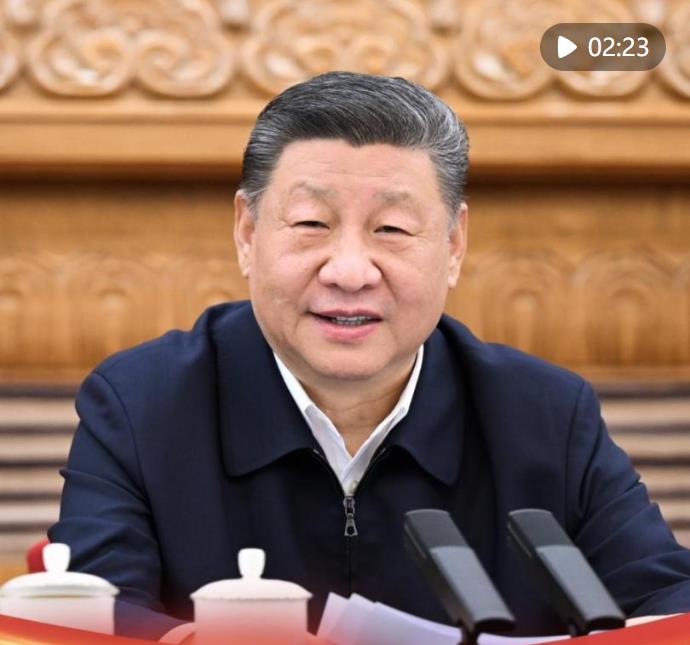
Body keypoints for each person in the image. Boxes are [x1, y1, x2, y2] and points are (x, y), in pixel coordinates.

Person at [49, 71, 690, 641]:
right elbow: (91, 618)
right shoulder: (141, 405)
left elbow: (667, 603)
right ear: (247, 233)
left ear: (454, 245)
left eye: (392, 229)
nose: (351, 271)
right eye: (311, 224)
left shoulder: (547, 415)